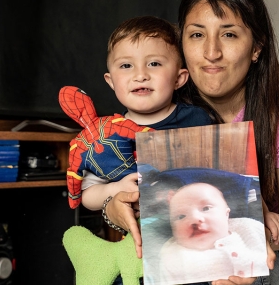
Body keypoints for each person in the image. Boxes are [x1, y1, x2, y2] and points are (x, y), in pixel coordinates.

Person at [93, 0, 279, 284]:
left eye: (229, 34)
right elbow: (118, 195)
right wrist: (113, 208)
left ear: (256, 48)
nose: (211, 52)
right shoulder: (156, 108)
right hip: (188, 250)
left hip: (275, 250)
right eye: (197, 34)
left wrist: (253, 237)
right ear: (181, 43)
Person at [78, 16, 212, 212]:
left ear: (179, 78)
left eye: (154, 64)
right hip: (138, 234)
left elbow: (223, 174)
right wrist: (117, 188)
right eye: (126, 66)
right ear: (111, 81)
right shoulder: (106, 134)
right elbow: (88, 196)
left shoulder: (197, 120)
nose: (140, 75)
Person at [160, 182, 268, 284]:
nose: (194, 219)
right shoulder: (173, 257)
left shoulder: (247, 229)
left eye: (206, 208)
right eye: (181, 216)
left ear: (226, 215)